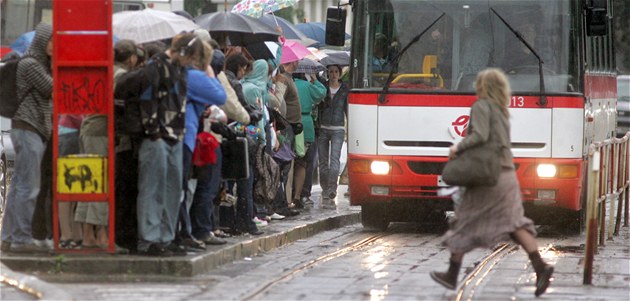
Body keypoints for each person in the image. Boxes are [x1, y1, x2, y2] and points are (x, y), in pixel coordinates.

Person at [430, 68, 554, 297]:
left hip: (487, 178)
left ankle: (452, 273)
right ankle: (541, 267)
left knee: (465, 218)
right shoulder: (501, 110)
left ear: (482, 86)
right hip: (506, 175)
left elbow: (480, 136)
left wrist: (458, 147)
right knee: (514, 223)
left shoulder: (481, 106)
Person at [115, 33, 193, 256]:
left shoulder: (179, 69)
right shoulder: (155, 68)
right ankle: (150, 238)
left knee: (170, 189)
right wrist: (153, 131)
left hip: (173, 134)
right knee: (154, 188)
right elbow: (148, 101)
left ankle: (164, 237)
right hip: (158, 136)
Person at [0, 22, 53, 253]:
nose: (55, 46)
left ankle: (9, 236)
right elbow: (52, 88)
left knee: (20, 185)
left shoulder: (36, 63)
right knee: (29, 187)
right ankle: (21, 237)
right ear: (42, 41)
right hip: (29, 126)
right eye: (52, 41)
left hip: (29, 128)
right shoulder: (32, 64)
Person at [291, 72, 326, 209]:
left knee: (290, 161)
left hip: (290, 123)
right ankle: (299, 195)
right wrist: (315, 80)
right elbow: (322, 93)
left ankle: (289, 195)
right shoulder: (307, 85)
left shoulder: (288, 84)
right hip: (306, 124)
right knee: (304, 162)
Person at [317, 64, 349, 208]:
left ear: (340, 73)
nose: (334, 74)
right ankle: (325, 189)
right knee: (323, 162)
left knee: (334, 159)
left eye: (336, 72)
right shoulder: (322, 87)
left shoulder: (345, 89)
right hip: (323, 127)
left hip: (338, 128)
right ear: (327, 73)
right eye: (331, 72)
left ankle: (332, 189)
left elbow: (348, 109)